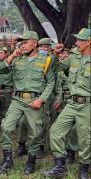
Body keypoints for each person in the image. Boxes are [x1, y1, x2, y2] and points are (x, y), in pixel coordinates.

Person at [0, 31, 55, 175]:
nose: (22, 45)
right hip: (17, 99)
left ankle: (31, 161)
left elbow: (51, 82)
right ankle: (7, 160)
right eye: (21, 43)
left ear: (34, 43)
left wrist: (41, 99)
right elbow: (0, 70)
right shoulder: (17, 58)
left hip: (34, 100)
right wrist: (12, 55)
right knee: (6, 127)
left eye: (25, 42)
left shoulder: (45, 60)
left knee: (35, 133)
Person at [42, 28, 90, 179]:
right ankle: (60, 166)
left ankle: (83, 169)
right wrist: (55, 56)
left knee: (85, 138)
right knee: (56, 131)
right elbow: (57, 68)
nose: (76, 43)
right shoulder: (74, 56)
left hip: (88, 105)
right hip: (72, 104)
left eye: (80, 40)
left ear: (88, 42)